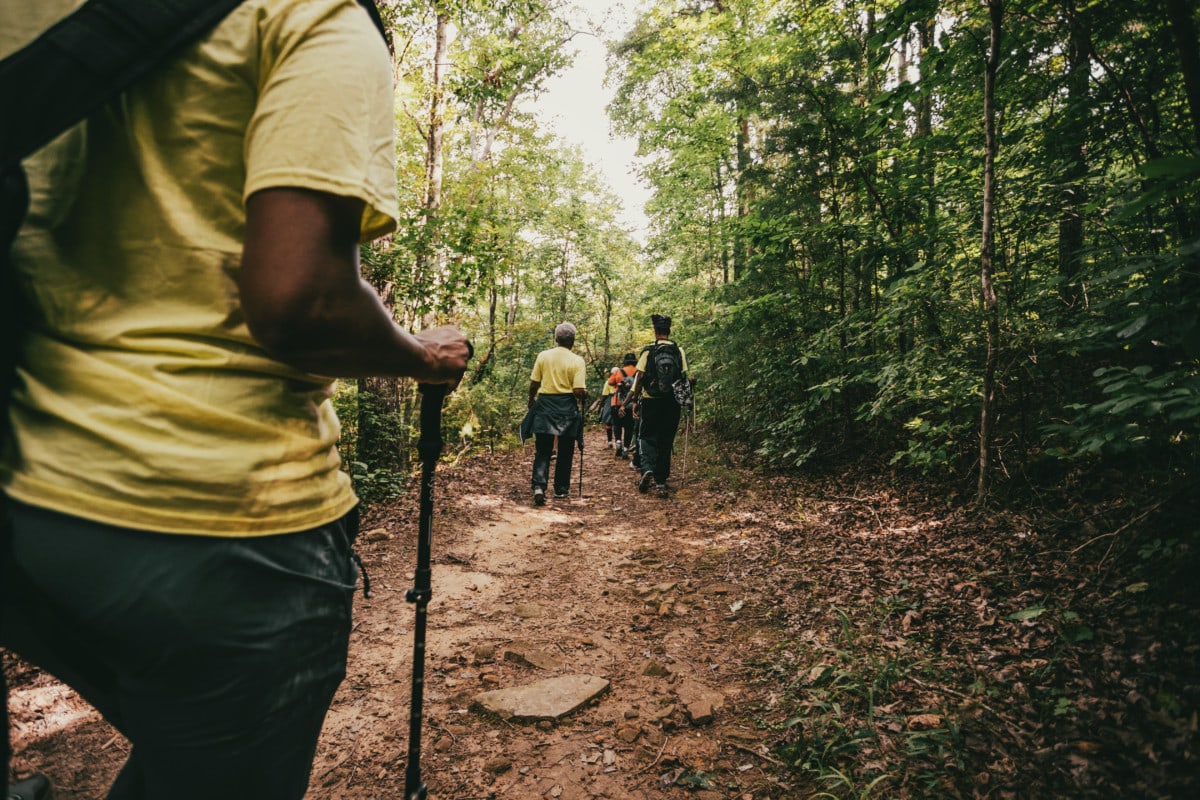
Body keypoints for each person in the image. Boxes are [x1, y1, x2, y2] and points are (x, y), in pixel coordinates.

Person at [0, 2, 471, 799]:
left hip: (25, 506)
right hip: (216, 522)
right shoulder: (314, 16)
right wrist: (421, 357)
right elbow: (303, 301)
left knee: (184, 744)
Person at [623, 314, 695, 499]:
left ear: (656, 331)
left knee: (647, 436)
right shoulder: (678, 351)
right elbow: (684, 377)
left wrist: (635, 401)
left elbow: (639, 378)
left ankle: (647, 469)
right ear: (669, 331)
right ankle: (661, 481)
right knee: (666, 439)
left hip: (650, 400)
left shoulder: (648, 352)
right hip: (672, 403)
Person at [526, 323, 587, 505]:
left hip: (545, 405)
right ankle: (561, 489)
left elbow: (534, 383)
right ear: (573, 341)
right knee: (565, 450)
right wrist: (585, 394)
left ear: (556, 338)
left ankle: (539, 486)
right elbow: (577, 390)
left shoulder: (543, 356)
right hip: (567, 408)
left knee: (543, 450)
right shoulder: (577, 361)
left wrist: (531, 400)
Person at [608, 352, 639, 460]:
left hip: (617, 402)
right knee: (629, 427)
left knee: (617, 424)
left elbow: (610, 382)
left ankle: (618, 442)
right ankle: (626, 449)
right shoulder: (638, 371)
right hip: (632, 404)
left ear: (625, 361)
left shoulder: (618, 371)